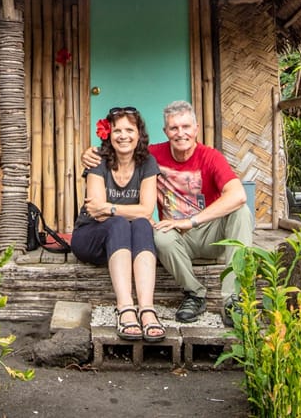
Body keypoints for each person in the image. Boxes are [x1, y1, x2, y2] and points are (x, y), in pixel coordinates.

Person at [84, 100, 250, 326]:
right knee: (158, 235)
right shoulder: (152, 156)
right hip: (176, 239)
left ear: (196, 129)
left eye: (186, 127)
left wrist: (192, 221)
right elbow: (122, 146)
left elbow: (238, 195)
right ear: (165, 131)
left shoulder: (210, 157)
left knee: (242, 212)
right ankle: (194, 294)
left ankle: (233, 299)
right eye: (174, 128)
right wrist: (90, 153)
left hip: (211, 234)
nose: (180, 133)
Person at [71, 106, 165, 342]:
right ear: (108, 135)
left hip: (125, 242)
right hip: (91, 237)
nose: (123, 136)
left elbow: (146, 210)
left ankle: (146, 309)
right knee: (120, 224)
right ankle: (125, 308)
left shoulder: (147, 163)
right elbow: (97, 212)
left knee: (142, 225)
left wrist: (111, 208)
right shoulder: (98, 161)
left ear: (139, 134)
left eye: (129, 130)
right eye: (117, 131)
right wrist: (122, 212)